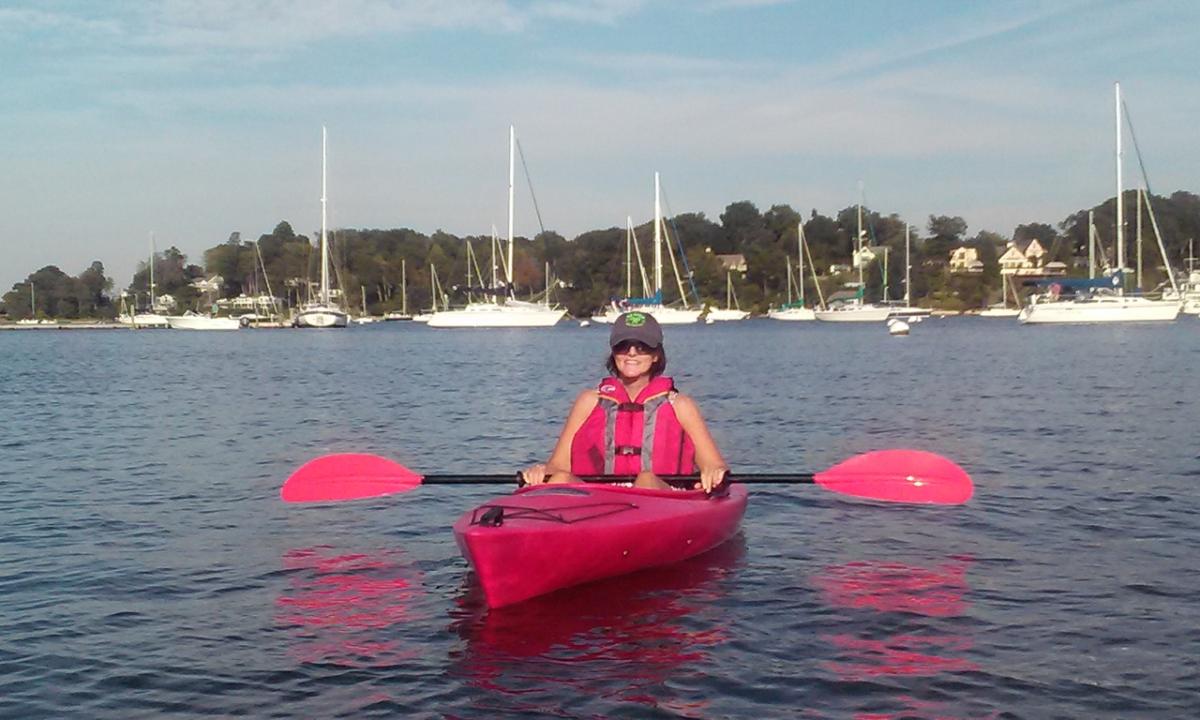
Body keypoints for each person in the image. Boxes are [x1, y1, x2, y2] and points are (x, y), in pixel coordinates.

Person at [522, 311, 729, 493]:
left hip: (663, 498)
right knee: (559, 479)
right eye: (623, 345)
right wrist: (540, 473)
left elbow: (713, 464)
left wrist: (714, 473)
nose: (631, 352)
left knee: (646, 479)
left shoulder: (680, 405)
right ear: (613, 352)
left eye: (642, 346)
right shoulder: (589, 401)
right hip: (599, 498)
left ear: (656, 355)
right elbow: (558, 465)